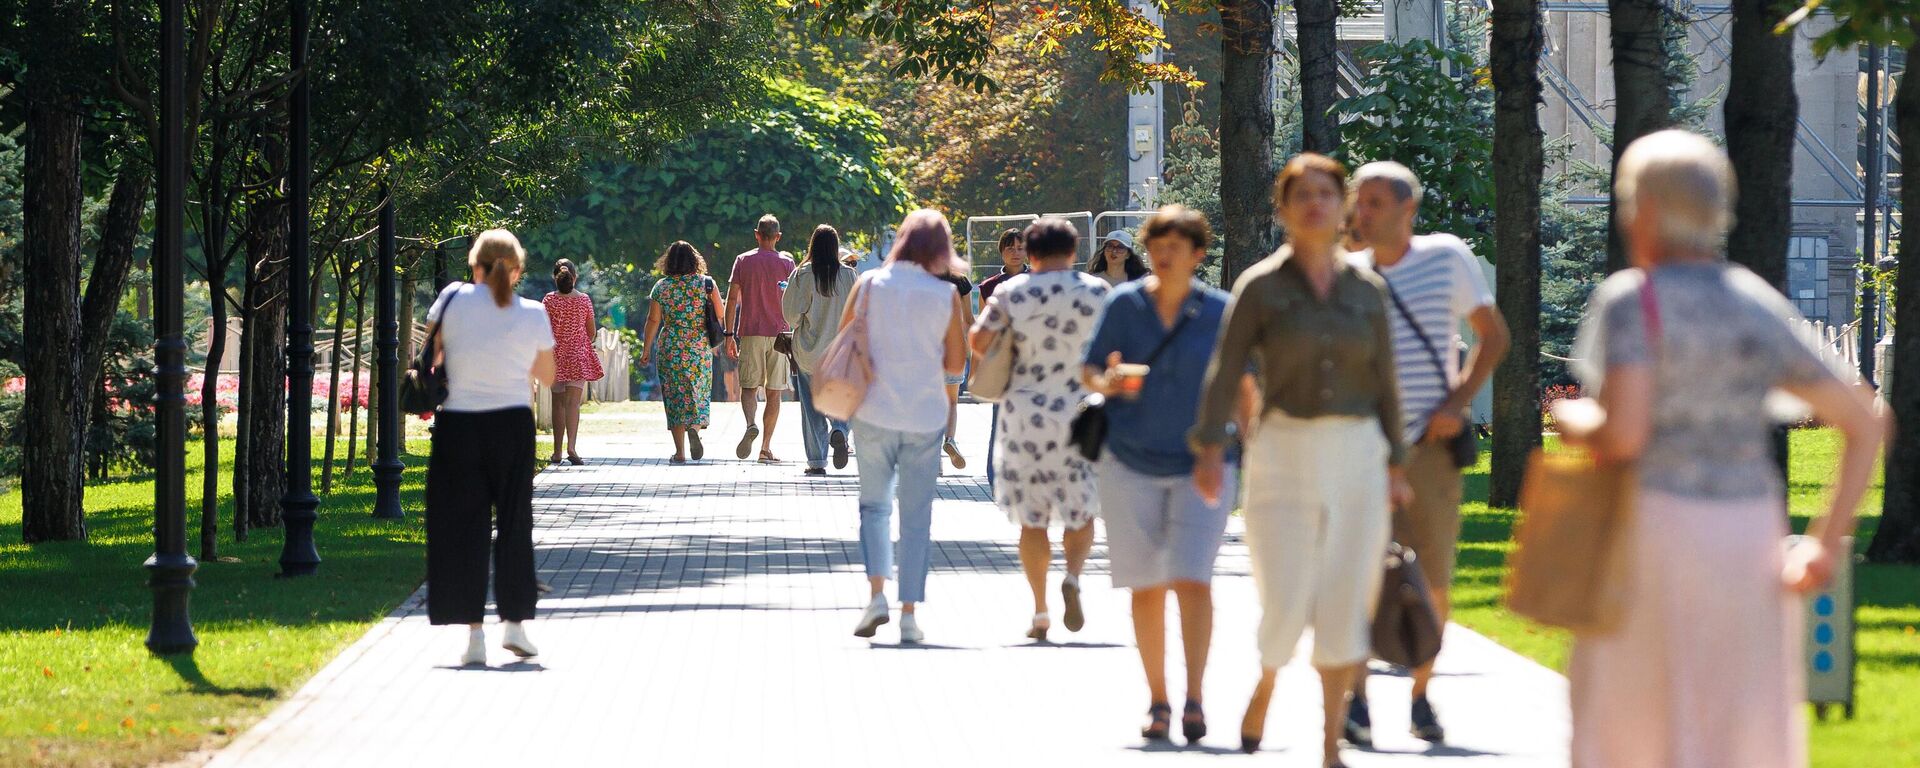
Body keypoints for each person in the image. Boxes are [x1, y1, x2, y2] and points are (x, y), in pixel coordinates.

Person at [1555, 130, 1884, 768]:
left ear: (1644, 210)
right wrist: (1822, 542)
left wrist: (1574, 418)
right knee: (1735, 713)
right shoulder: (1752, 303)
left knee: (1632, 712)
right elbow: (1866, 420)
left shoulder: (1633, 299)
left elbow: (1624, 432)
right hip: (1744, 535)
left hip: (1648, 529)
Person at [1190, 154, 1411, 768]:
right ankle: (1267, 679)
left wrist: (1397, 462)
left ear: (1343, 207)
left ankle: (1329, 743)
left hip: (1358, 453)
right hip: (1282, 451)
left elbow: (1386, 381)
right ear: (1283, 209)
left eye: (1326, 193)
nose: (1315, 203)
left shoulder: (1367, 290)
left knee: (1347, 595)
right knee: (1285, 595)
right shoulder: (1261, 286)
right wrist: (1210, 447)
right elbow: (1225, 369)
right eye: (1301, 194)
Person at [1344, 161, 1511, 745]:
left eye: (1374, 204)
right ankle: (1357, 700)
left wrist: (1458, 401)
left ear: (1406, 209)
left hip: (1432, 448)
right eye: (1357, 203)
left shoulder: (1446, 256)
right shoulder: (1347, 272)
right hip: (1363, 450)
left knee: (1433, 573)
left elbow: (1494, 335)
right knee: (1361, 572)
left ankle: (1420, 695)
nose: (1361, 214)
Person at [1082, 205, 1258, 744]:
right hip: (1129, 460)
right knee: (1146, 584)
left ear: (1197, 253)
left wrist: (1250, 457)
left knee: (1192, 578)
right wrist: (1107, 381)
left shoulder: (1221, 311)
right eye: (1156, 244)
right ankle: (1158, 699)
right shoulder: (1123, 305)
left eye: (1175, 245)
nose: (1163, 254)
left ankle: (1195, 698)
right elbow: (1090, 369)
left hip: (1203, 463)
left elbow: (1246, 390)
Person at [971, 217, 1110, 641]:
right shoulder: (1096, 292)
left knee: (1032, 521)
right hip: (1081, 413)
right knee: (1081, 508)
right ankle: (1072, 575)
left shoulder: (1012, 292)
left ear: (1030, 253)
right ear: (1074, 251)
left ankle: (1040, 611)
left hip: (1025, 415)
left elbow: (978, 340)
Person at [424, 229, 556, 666]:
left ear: (473, 264)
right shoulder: (533, 313)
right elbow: (549, 376)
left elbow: (433, 357)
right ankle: (515, 625)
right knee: (515, 522)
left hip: (458, 425)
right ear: (517, 270)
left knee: (464, 528)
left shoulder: (451, 301)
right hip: (512, 424)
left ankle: (473, 637)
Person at [849, 209, 970, 645]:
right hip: (924, 415)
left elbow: (846, 341)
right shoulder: (945, 296)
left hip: (872, 412)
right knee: (916, 517)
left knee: (874, 508)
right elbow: (957, 363)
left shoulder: (868, 286)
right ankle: (908, 616)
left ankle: (876, 595)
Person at [782, 225, 857, 475]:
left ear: (812, 245)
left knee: (811, 406)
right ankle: (840, 429)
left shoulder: (802, 274)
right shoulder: (848, 276)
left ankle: (816, 462)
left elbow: (790, 316)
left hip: (808, 352)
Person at [641, 241, 725, 464]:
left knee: (674, 397)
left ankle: (679, 453)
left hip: (671, 347)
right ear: (694, 259)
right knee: (698, 391)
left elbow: (653, 320)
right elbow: (720, 313)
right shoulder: (706, 284)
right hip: (698, 347)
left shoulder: (661, 287)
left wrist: (646, 349)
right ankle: (695, 427)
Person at [725, 215, 798, 463]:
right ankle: (765, 448)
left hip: (750, 331)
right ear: (778, 237)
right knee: (774, 392)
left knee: (748, 387)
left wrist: (728, 334)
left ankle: (750, 424)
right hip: (780, 333)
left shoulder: (743, 261)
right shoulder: (788, 264)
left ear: (757, 234)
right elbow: (796, 301)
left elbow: (732, 298)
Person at [977, 227, 1029, 490]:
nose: (1016, 253)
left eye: (1021, 247)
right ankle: (995, 477)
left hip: (1032, 364)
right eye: (1010, 247)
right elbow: (982, 331)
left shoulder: (1039, 281)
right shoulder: (989, 287)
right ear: (1002, 251)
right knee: (1000, 422)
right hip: (1002, 364)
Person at [542, 259, 604, 466]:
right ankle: (572, 448)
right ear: (575, 277)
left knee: (557, 404)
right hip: (577, 356)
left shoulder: (549, 301)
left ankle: (557, 452)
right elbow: (591, 332)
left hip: (554, 357)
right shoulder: (584, 300)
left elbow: (543, 329)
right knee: (573, 404)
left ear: (555, 277)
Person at [937, 268, 975, 469]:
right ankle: (950, 439)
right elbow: (968, 320)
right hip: (954, 350)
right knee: (951, 402)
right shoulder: (960, 281)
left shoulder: (919, 279)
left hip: (926, 352)